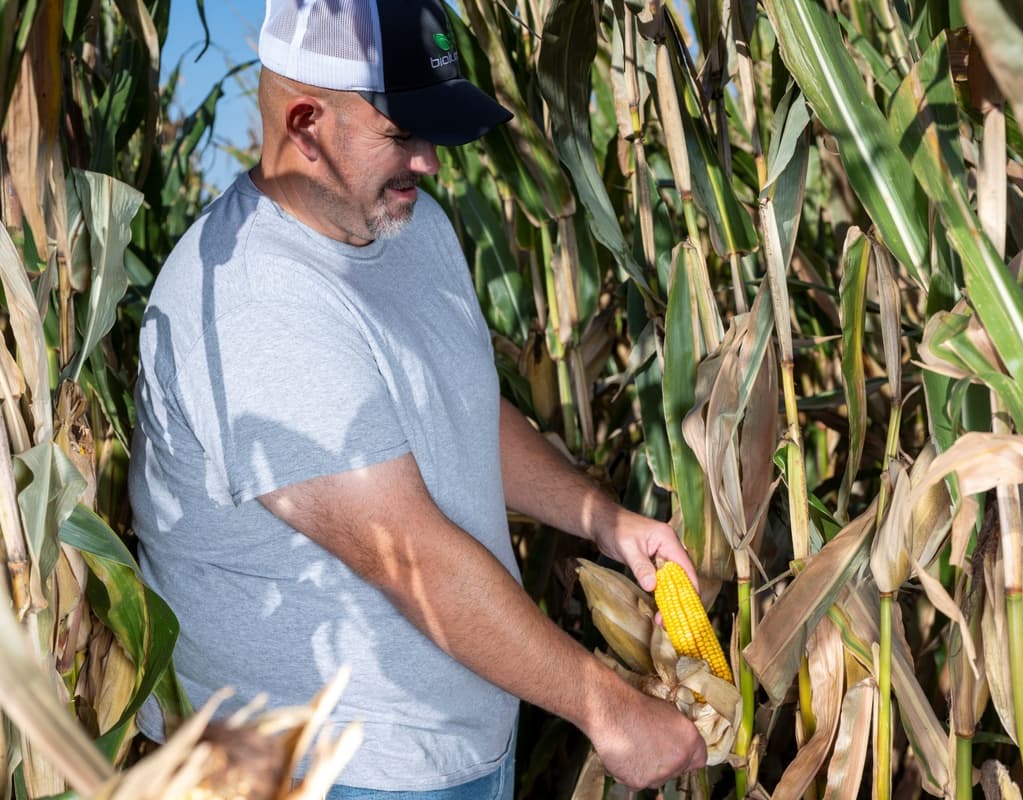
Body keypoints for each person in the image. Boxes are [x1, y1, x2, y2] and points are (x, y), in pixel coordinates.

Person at [129, 0, 709, 796]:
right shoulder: (255, 304)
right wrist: (605, 709)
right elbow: (409, 559)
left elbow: (461, 408)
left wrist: (600, 519)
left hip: (456, 754)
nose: (432, 163)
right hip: (321, 774)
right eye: (403, 135)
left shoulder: (411, 230)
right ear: (305, 123)